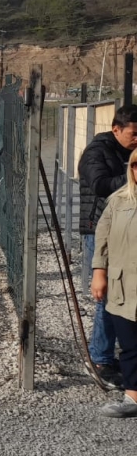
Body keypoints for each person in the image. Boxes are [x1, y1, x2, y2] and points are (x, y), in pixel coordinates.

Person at [79, 105, 137, 388]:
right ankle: (100, 359)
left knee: (124, 296)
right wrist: (131, 177)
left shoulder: (128, 152)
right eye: (134, 134)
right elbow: (100, 185)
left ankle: (118, 355)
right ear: (116, 129)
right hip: (99, 230)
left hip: (126, 232)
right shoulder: (96, 152)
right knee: (107, 297)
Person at [91, 148, 137, 417]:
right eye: (135, 165)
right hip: (123, 285)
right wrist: (99, 272)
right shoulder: (118, 201)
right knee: (129, 344)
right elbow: (102, 239)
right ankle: (133, 397)